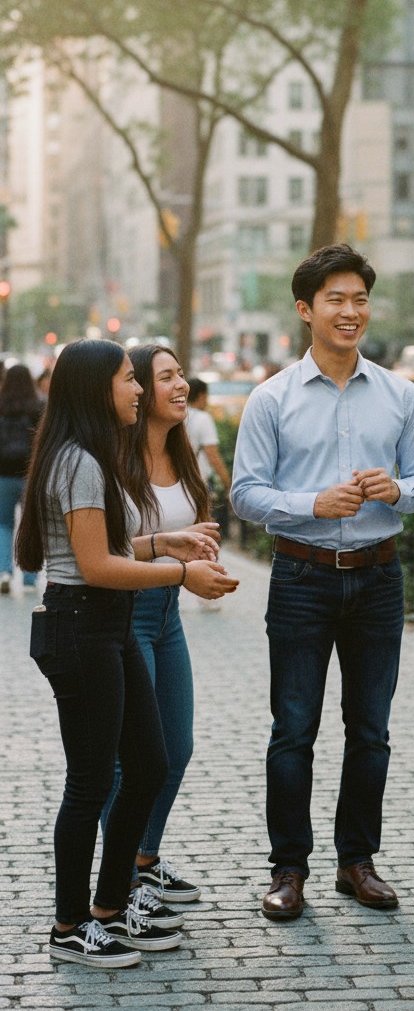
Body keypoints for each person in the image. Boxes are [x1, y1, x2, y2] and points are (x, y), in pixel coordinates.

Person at [231, 243, 414, 921]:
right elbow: (244, 495)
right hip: (301, 575)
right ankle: (289, 870)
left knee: (371, 730)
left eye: (359, 299)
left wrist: (399, 490)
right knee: (293, 729)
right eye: (336, 300)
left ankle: (358, 863)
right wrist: (311, 504)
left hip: (379, 579)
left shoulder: (400, 394)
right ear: (305, 310)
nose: (351, 312)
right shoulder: (271, 399)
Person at [16, 338, 237, 968]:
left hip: (104, 627)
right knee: (90, 783)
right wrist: (178, 571)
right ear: (95, 390)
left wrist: (161, 540)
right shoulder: (80, 461)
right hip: (82, 629)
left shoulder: (90, 457)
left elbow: (108, 551)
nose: (139, 389)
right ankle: (69, 927)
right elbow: (92, 567)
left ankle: (112, 907)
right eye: (127, 380)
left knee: (148, 763)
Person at [102, 346, 239, 909]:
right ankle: (121, 882)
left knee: (175, 748)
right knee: (131, 758)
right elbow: (93, 551)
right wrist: (177, 565)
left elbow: (188, 528)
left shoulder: (183, 456)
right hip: (125, 616)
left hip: (167, 618)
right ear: (137, 387)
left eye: (181, 374)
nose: (181, 385)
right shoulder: (110, 460)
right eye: (165, 377)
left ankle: (144, 860)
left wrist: (202, 548)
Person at [0, 363, 44, 594]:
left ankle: (4, 571)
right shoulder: (38, 406)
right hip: (30, 474)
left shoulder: (1, 405)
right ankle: (29, 576)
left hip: (3, 473)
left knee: (3, 524)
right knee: (32, 525)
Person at [186, 378, 232, 496]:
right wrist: (228, 484)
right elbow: (213, 456)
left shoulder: (179, 415)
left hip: (180, 480)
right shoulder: (203, 418)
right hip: (200, 481)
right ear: (201, 395)